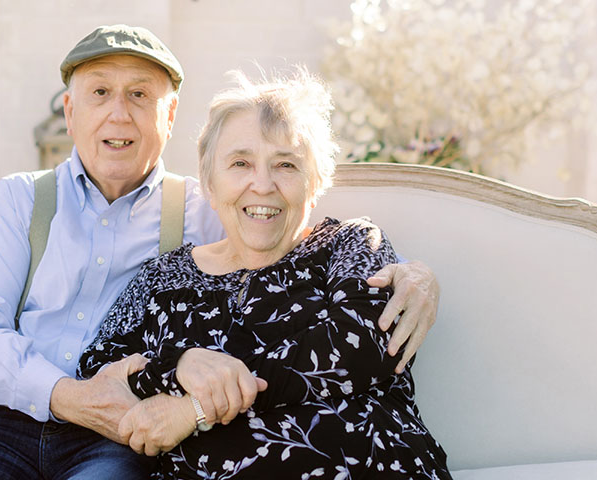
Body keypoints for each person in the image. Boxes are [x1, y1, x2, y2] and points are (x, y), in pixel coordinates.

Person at [0, 25, 440, 479]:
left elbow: (348, 328)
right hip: (3, 423)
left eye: (140, 96)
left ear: (169, 120)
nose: (119, 114)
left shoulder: (208, 210)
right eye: (100, 93)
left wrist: (416, 277)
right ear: (70, 113)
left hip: (118, 441)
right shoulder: (23, 203)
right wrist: (88, 391)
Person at [78, 68, 451, 479]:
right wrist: (177, 365)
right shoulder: (163, 277)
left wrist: (195, 408)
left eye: (286, 165)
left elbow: (361, 344)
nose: (262, 184)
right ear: (210, 183)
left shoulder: (348, 245)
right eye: (240, 163)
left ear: (315, 182)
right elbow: (99, 369)